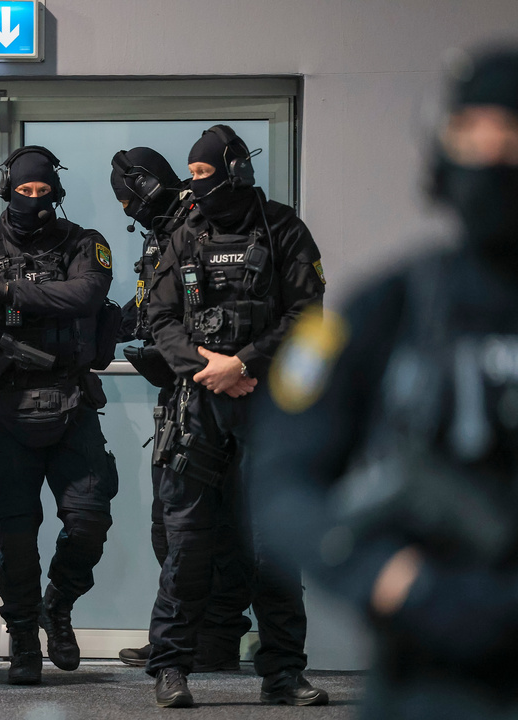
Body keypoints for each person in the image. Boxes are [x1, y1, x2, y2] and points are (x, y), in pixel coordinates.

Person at [251, 46, 518, 719]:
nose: (493, 156)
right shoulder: (386, 309)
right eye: (472, 134)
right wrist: (389, 579)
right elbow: (282, 483)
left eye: (512, 134)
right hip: (429, 675)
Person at [145, 126, 328, 708]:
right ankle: (171, 668)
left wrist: (245, 362)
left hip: (267, 403)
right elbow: (159, 317)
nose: (196, 184)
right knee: (186, 543)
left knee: (275, 543)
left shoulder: (283, 228)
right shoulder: (185, 233)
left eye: (205, 174)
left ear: (236, 171)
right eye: (192, 174)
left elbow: (308, 314)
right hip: (198, 406)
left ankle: (283, 673)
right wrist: (211, 368)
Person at [0, 146, 120, 685]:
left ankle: (59, 604)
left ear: (56, 192)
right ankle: (23, 634)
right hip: (6, 409)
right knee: (16, 538)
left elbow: (86, 294)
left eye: (43, 190)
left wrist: (11, 291)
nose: (33, 199)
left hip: (72, 403)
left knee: (89, 523)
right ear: (7, 192)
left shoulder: (84, 243)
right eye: (23, 191)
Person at [109, 147, 247, 672]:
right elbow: (153, 306)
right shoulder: (163, 233)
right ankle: (177, 634)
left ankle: (217, 637)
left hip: (223, 392)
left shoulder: (199, 225)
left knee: (220, 527)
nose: (128, 211)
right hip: (179, 396)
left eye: (129, 200)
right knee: (168, 526)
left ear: (147, 186)